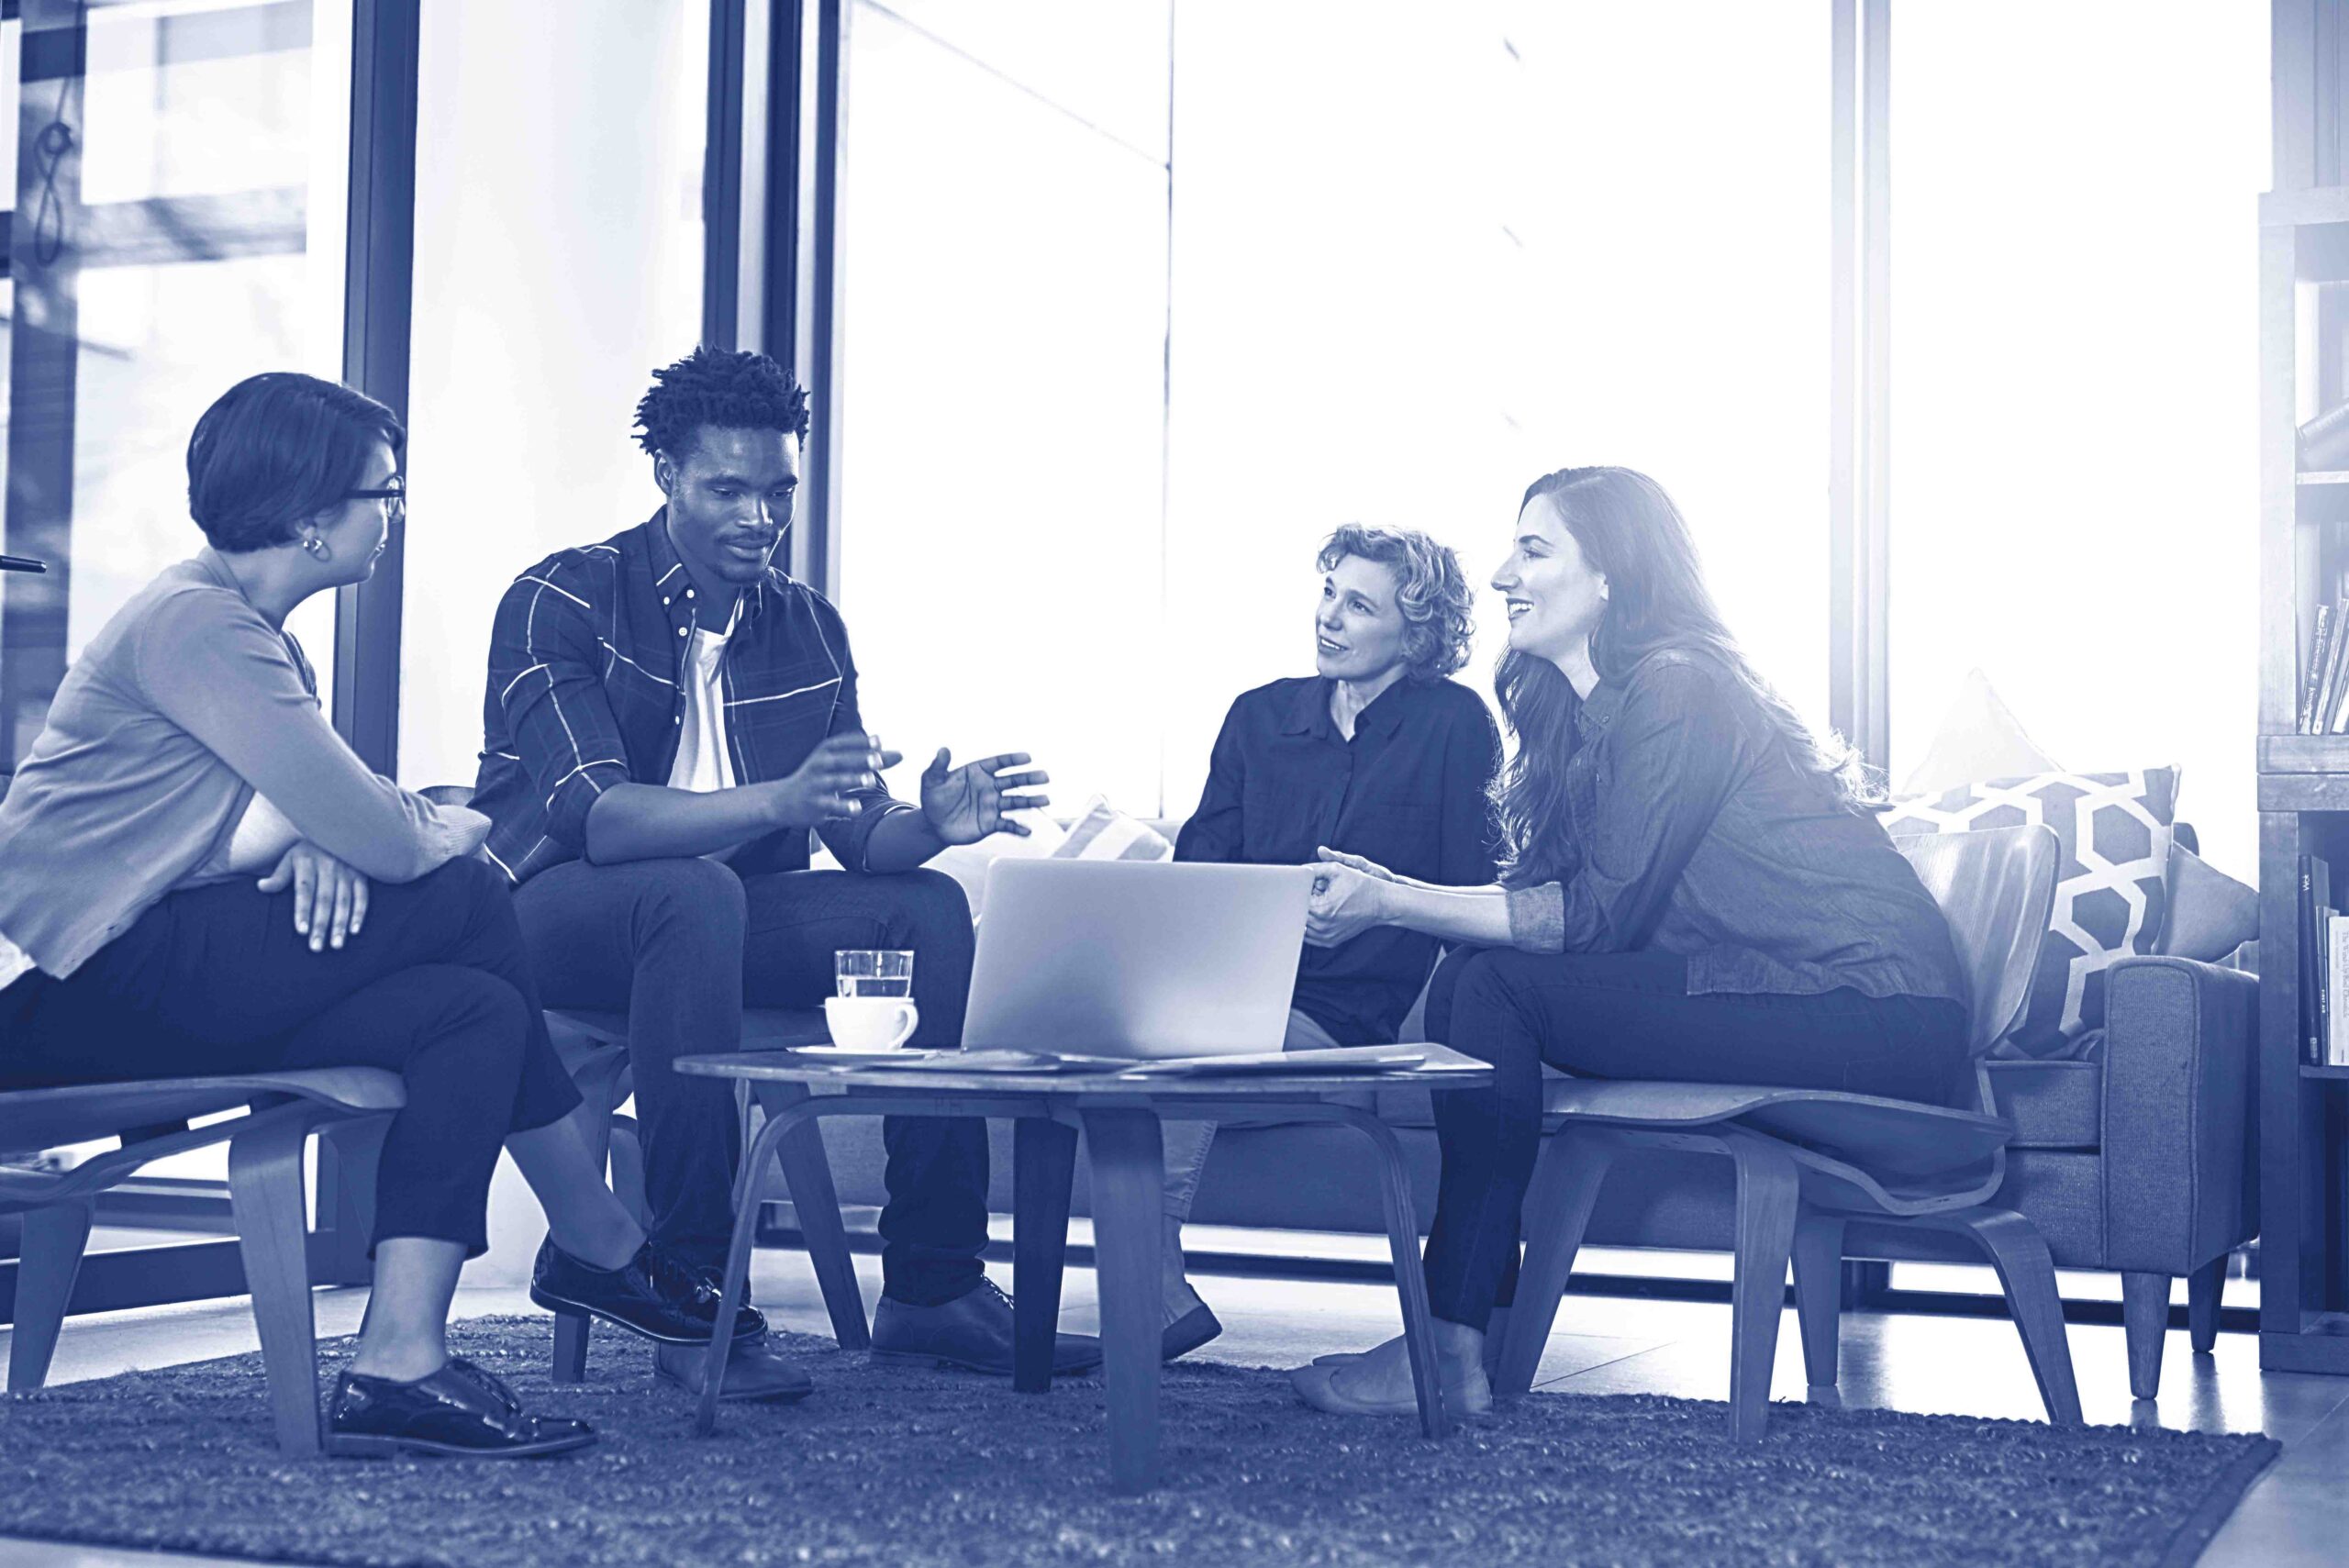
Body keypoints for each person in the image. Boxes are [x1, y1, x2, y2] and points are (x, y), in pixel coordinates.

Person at [0, 373, 717, 1460]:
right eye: (385, 492)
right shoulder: (198, 622)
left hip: (179, 961)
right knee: (468, 886)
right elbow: (386, 830)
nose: (394, 513)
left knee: (468, 1008)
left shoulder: (254, 639)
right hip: (97, 983)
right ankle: (595, 1233)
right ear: (307, 516)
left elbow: (305, 817)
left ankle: (400, 1360)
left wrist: (330, 835)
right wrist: (425, 823)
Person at [473, 347, 1101, 1400]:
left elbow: (860, 841)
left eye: (778, 490)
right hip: (551, 909)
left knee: (928, 908)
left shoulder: (807, 625)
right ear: (667, 474)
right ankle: (688, 1283)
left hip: (717, 924)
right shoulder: (565, 594)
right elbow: (598, 815)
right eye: (727, 487)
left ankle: (933, 1282)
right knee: (692, 888)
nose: (758, 515)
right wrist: (775, 803)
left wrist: (934, 826)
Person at [1286, 466, 1969, 1418]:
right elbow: (1561, 906)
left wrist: (1392, 901)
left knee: (1492, 988)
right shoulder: (1587, 713)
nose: (1498, 575)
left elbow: (1594, 918)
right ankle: (1452, 1334)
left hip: (1876, 1011)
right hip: (1782, 990)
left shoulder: (1681, 687)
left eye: (1533, 548)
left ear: (1610, 574)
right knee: (1474, 978)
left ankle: (1448, 1340)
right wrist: (1398, 895)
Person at [1159, 525, 1498, 1360]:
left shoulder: (1454, 724)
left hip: (1339, 1020)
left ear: (1416, 634)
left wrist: (1379, 909)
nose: (1329, 619)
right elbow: (1195, 877)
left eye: (1359, 604)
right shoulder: (1258, 717)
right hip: (1220, 991)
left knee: (1177, 1041)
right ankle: (1152, 1280)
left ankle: (1149, 1285)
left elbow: (1474, 893)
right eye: (1328, 593)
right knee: (1124, 1031)